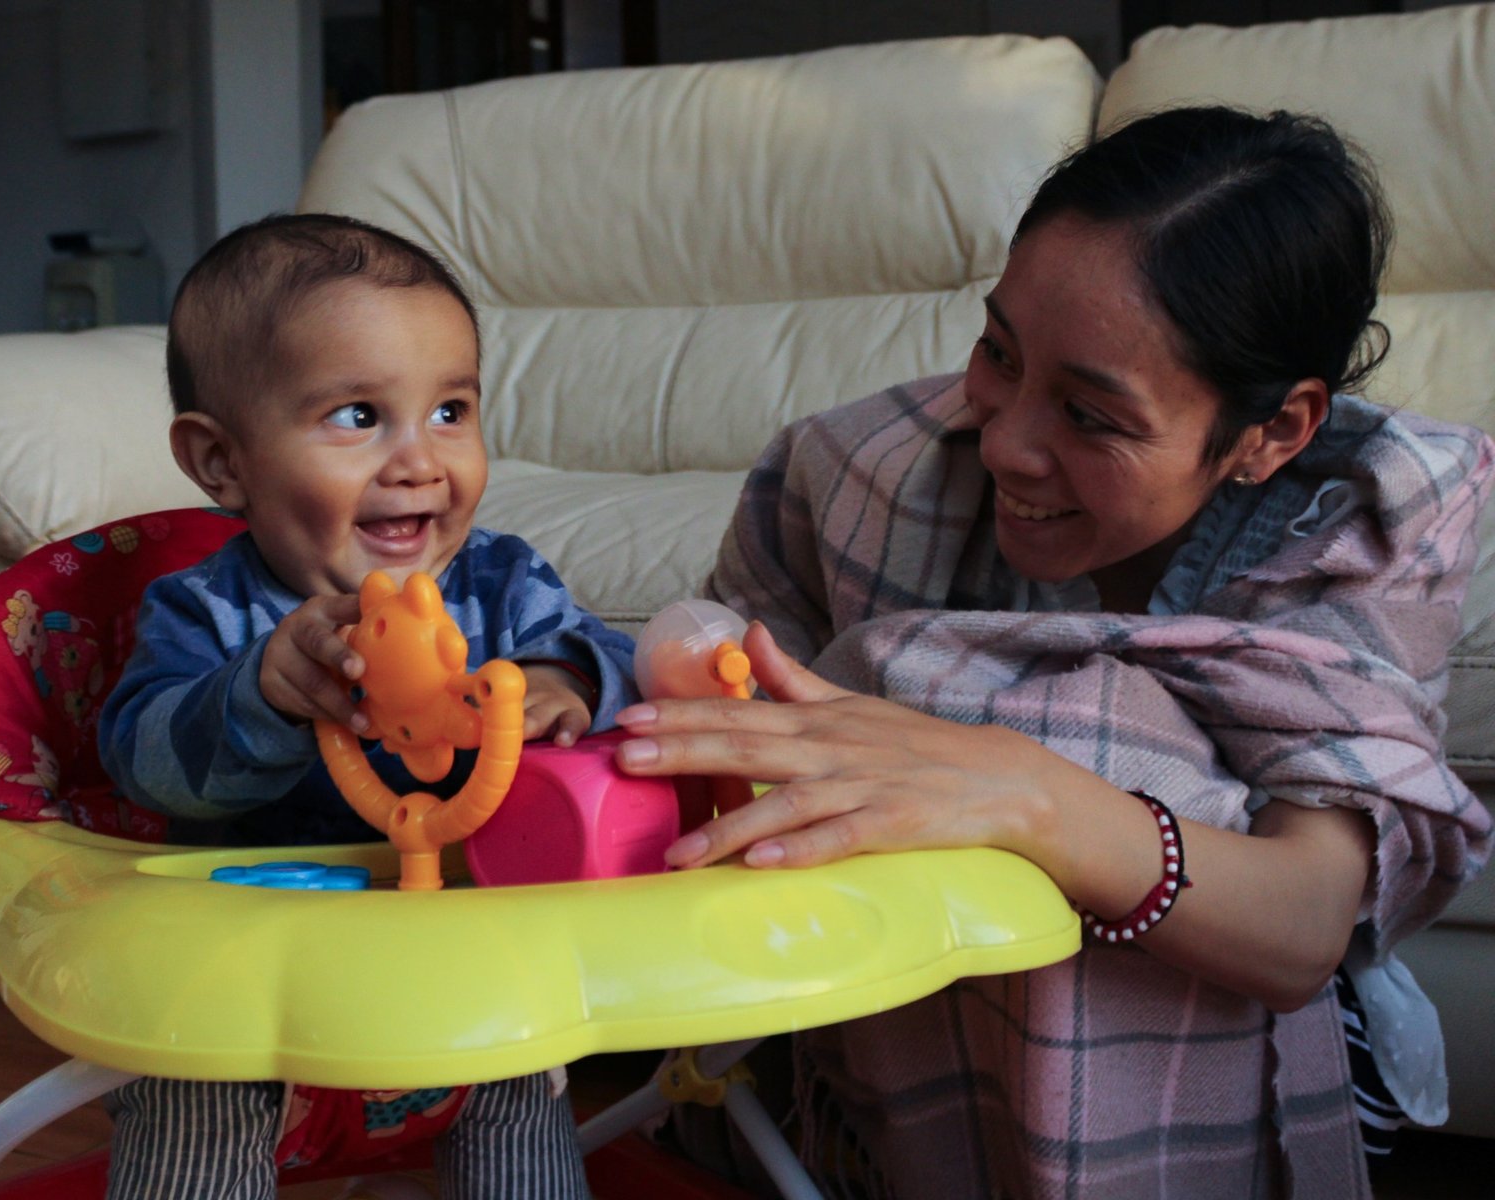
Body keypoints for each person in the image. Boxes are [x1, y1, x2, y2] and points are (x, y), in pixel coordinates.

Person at [611, 107, 1494, 1198]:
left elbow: (1303, 922)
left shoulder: (1370, 526)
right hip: (864, 1065)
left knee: (1089, 730)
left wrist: (1023, 792)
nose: (1005, 441)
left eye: (1089, 415)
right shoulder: (860, 472)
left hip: (1225, 1046)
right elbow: (707, 668)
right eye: (997, 352)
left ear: (1272, 433)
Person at [97, 212, 637, 1199]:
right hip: (240, 968)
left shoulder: (503, 587)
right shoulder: (206, 610)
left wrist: (565, 684)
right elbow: (140, 756)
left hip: (463, 945)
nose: (420, 461)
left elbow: (615, 658)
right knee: (191, 1090)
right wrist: (260, 691)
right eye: (357, 416)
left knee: (516, 1076)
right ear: (221, 462)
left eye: (451, 411)